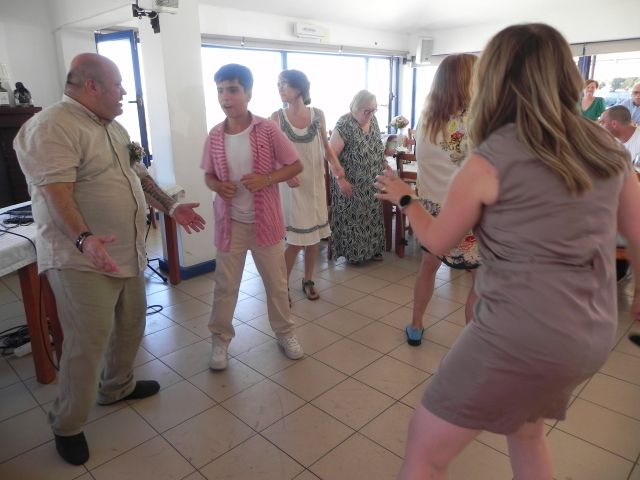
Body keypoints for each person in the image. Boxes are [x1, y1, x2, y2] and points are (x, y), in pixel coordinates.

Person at [375, 23, 640, 479]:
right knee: (526, 432)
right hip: (590, 334)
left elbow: (439, 241)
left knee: (424, 452)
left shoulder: (493, 156)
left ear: (496, 79)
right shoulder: (609, 148)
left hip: (519, 333)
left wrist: (404, 197)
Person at [14, 53, 206, 466]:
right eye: (119, 86)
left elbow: (139, 176)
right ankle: (67, 424)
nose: (125, 94)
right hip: (80, 259)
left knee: (131, 324)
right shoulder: (51, 127)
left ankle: (116, 387)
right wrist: (84, 240)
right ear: (92, 86)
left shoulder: (114, 127)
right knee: (87, 343)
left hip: (126, 253)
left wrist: (172, 209)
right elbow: (55, 193)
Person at [201, 63, 305, 371]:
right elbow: (208, 175)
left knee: (276, 283)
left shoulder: (266, 129)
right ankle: (220, 341)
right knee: (225, 286)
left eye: (232, 90)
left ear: (247, 93)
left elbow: (295, 165)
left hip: (266, 224)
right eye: (220, 90)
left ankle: (285, 334)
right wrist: (218, 186)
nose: (225, 97)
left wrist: (268, 179)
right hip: (230, 225)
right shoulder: (216, 134)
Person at [406, 53, 480, 346]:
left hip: (431, 209)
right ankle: (471, 344)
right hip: (468, 213)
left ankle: (415, 324)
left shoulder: (425, 120)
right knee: (479, 279)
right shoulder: (476, 122)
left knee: (428, 267)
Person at [270, 69, 349, 301]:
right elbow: (270, 152)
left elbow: (326, 146)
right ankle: (280, 287)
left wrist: (337, 169)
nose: (280, 89)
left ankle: (308, 279)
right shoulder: (277, 117)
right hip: (292, 186)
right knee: (295, 241)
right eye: (278, 85)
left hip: (314, 183)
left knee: (314, 238)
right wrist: (283, 174)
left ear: (300, 89)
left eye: (284, 84)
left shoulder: (318, 114)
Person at [328, 90, 386, 264]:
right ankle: (354, 254)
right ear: (355, 108)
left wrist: (383, 163)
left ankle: (373, 250)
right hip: (350, 183)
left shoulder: (373, 120)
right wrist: (340, 180)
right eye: (366, 111)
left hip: (372, 182)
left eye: (374, 110)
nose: (370, 114)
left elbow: (376, 146)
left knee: (372, 216)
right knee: (353, 219)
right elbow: (331, 156)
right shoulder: (344, 124)